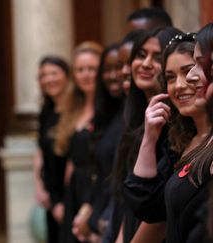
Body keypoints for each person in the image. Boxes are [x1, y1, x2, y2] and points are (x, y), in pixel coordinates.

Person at [124, 30, 213, 242]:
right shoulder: (180, 141)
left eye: (192, 69)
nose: (182, 84)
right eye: (171, 78)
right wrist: (149, 137)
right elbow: (149, 208)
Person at [104, 26, 181, 243]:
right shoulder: (134, 120)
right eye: (140, 55)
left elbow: (161, 216)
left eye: (157, 57)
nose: (145, 64)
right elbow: (126, 200)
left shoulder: (175, 124)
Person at [71, 43, 125, 242]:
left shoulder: (125, 115)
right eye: (107, 69)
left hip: (111, 210)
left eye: (91, 69)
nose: (113, 75)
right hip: (91, 200)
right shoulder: (106, 114)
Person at [54, 41, 102, 243]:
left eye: (92, 69)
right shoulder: (72, 107)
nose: (86, 74)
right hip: (74, 190)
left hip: (98, 188)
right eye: (80, 69)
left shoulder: (107, 110)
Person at [34, 55, 71, 243]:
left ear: (66, 75)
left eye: (54, 73)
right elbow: (41, 151)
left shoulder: (77, 110)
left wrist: (61, 201)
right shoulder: (46, 111)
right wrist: (40, 187)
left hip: (71, 194)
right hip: (51, 195)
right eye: (43, 75)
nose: (49, 79)